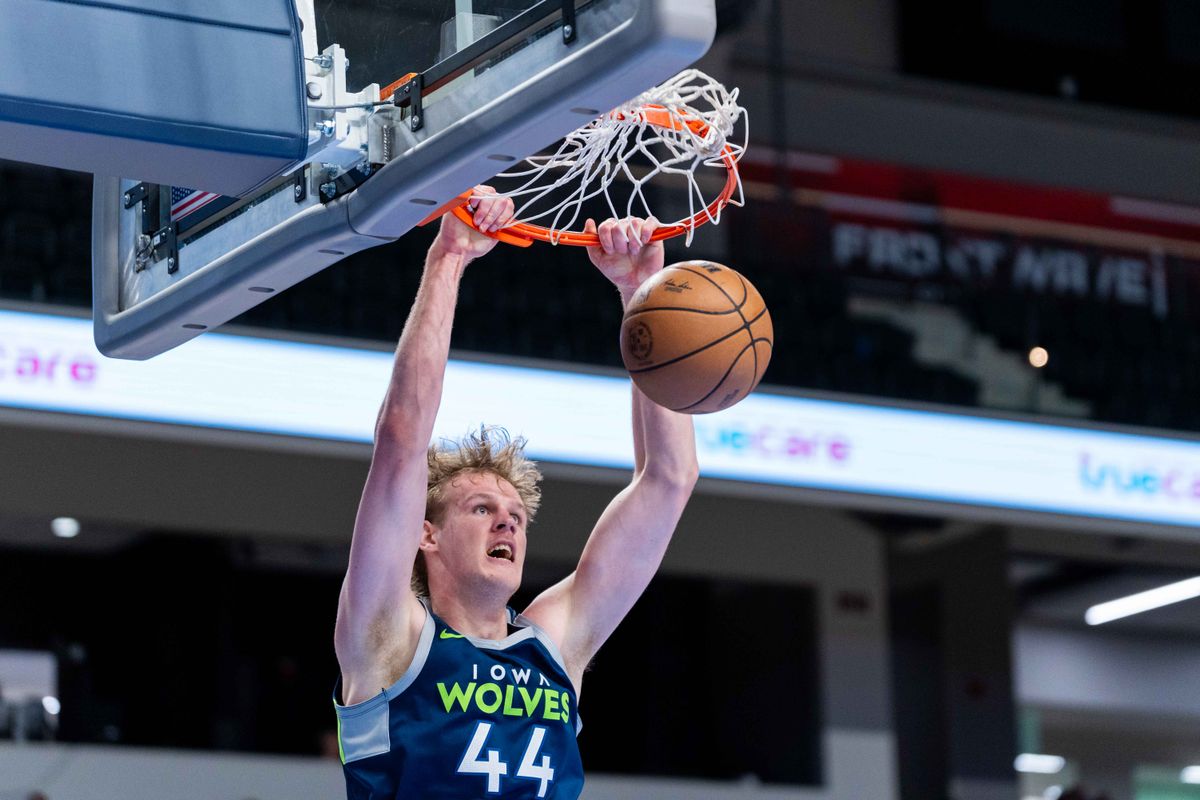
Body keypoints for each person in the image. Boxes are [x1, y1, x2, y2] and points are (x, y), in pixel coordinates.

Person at [332, 186, 699, 799]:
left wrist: (641, 299)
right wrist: (450, 256)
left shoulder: (555, 644)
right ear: (428, 534)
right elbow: (401, 443)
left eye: (515, 517)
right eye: (482, 509)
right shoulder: (387, 635)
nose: (507, 525)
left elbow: (669, 480)